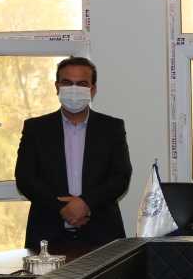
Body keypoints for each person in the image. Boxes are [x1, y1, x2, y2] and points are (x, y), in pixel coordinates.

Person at [15, 57, 132, 249]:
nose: (74, 89)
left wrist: (86, 203)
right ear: (57, 87)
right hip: (47, 234)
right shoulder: (36, 129)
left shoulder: (112, 128)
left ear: (92, 89)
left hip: (102, 234)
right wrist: (62, 208)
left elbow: (121, 177)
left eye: (82, 84)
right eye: (67, 83)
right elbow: (25, 178)